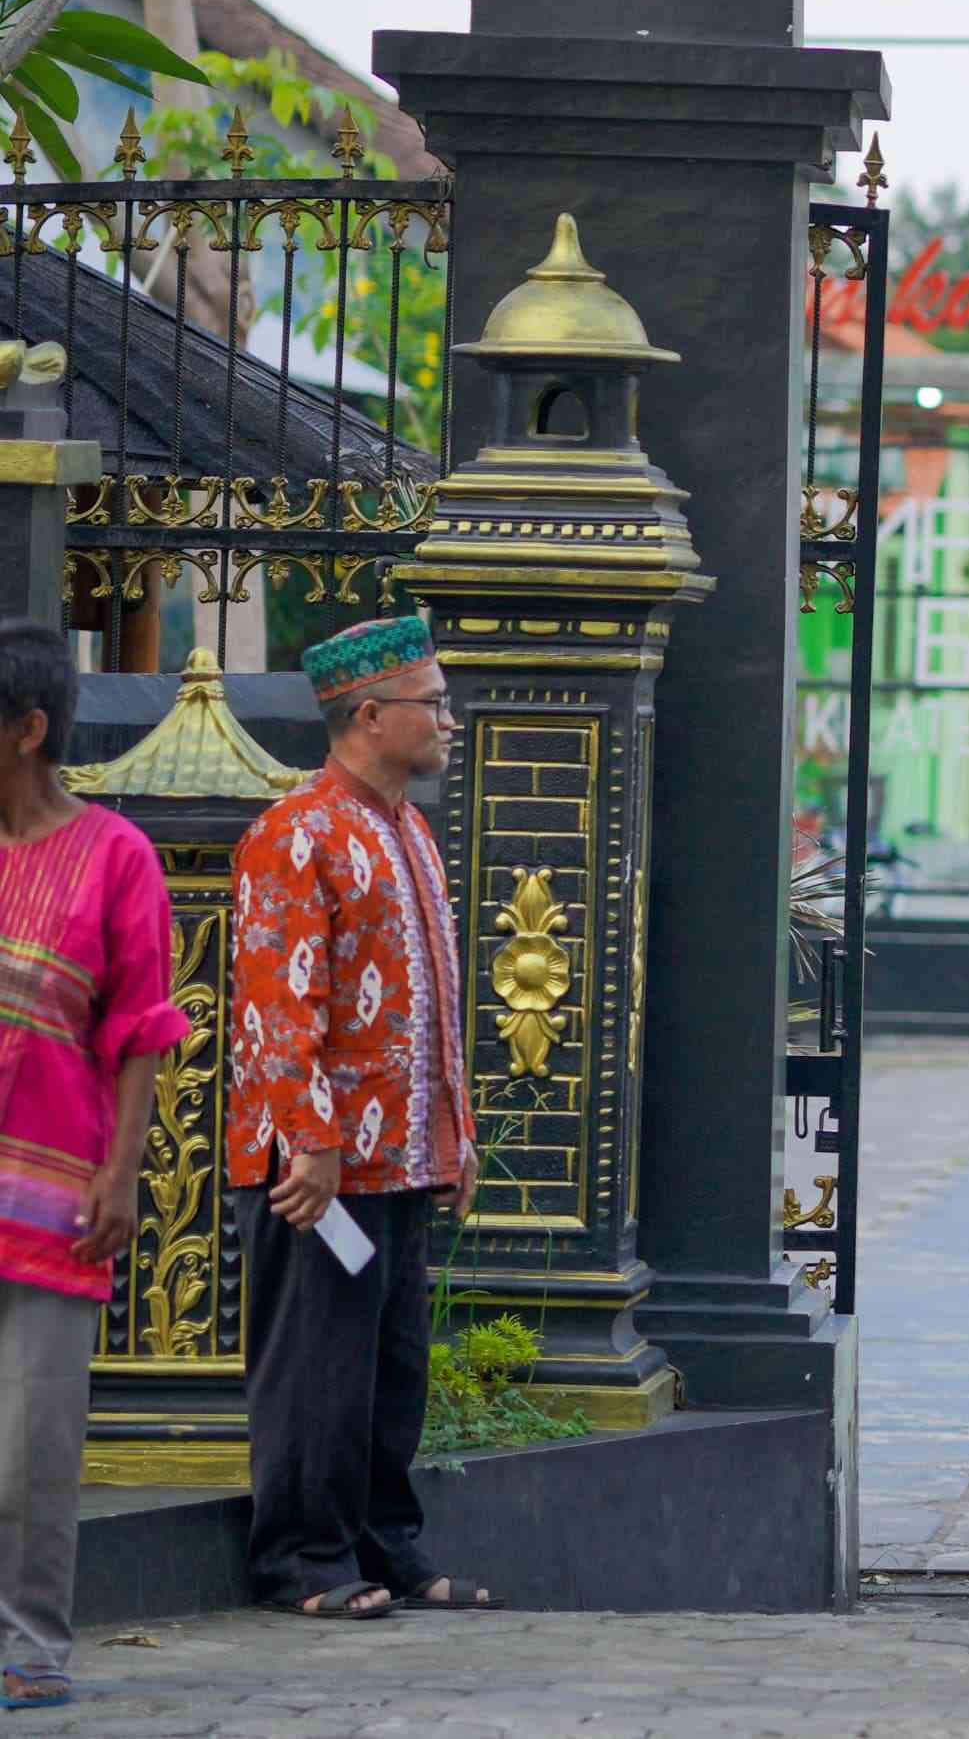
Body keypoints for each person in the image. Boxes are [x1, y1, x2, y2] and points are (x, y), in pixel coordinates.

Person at [229, 616, 493, 1622]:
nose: (450, 720)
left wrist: (454, 1130)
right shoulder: (294, 832)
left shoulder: (409, 831)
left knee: (391, 1371)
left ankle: (385, 1545)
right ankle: (304, 1561)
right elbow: (274, 1007)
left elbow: (435, 1002)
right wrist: (312, 1138)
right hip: (319, 1169)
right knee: (315, 1373)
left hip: (402, 1157)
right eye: (434, 702)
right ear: (369, 715)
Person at [0, 621, 184, 1705]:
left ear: (27, 731)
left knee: (32, 1441)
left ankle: (28, 1644)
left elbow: (142, 1029)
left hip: (55, 1196)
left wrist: (119, 1175)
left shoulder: (117, 854)